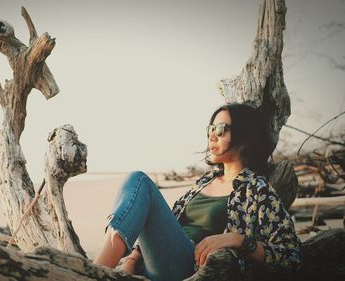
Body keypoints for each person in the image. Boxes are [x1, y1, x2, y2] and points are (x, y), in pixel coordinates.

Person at [93, 103, 301, 281]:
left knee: (140, 181)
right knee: (136, 182)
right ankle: (98, 271)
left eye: (221, 129)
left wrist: (237, 239)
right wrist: (131, 261)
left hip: (191, 270)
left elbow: (290, 257)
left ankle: (94, 274)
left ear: (244, 138)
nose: (212, 135)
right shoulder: (203, 182)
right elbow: (165, 229)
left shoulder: (258, 189)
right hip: (155, 266)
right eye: (210, 129)